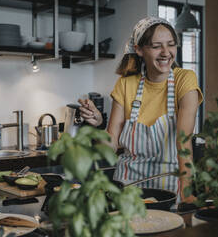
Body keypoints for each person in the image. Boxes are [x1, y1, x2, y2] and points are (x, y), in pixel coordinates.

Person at [79, 16, 203, 202]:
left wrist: (186, 193)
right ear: (139, 49)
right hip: (127, 186)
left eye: (171, 44)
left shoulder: (184, 80)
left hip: (168, 188)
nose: (166, 52)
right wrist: (97, 126)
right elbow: (111, 146)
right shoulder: (126, 84)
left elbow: (183, 143)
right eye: (156, 46)